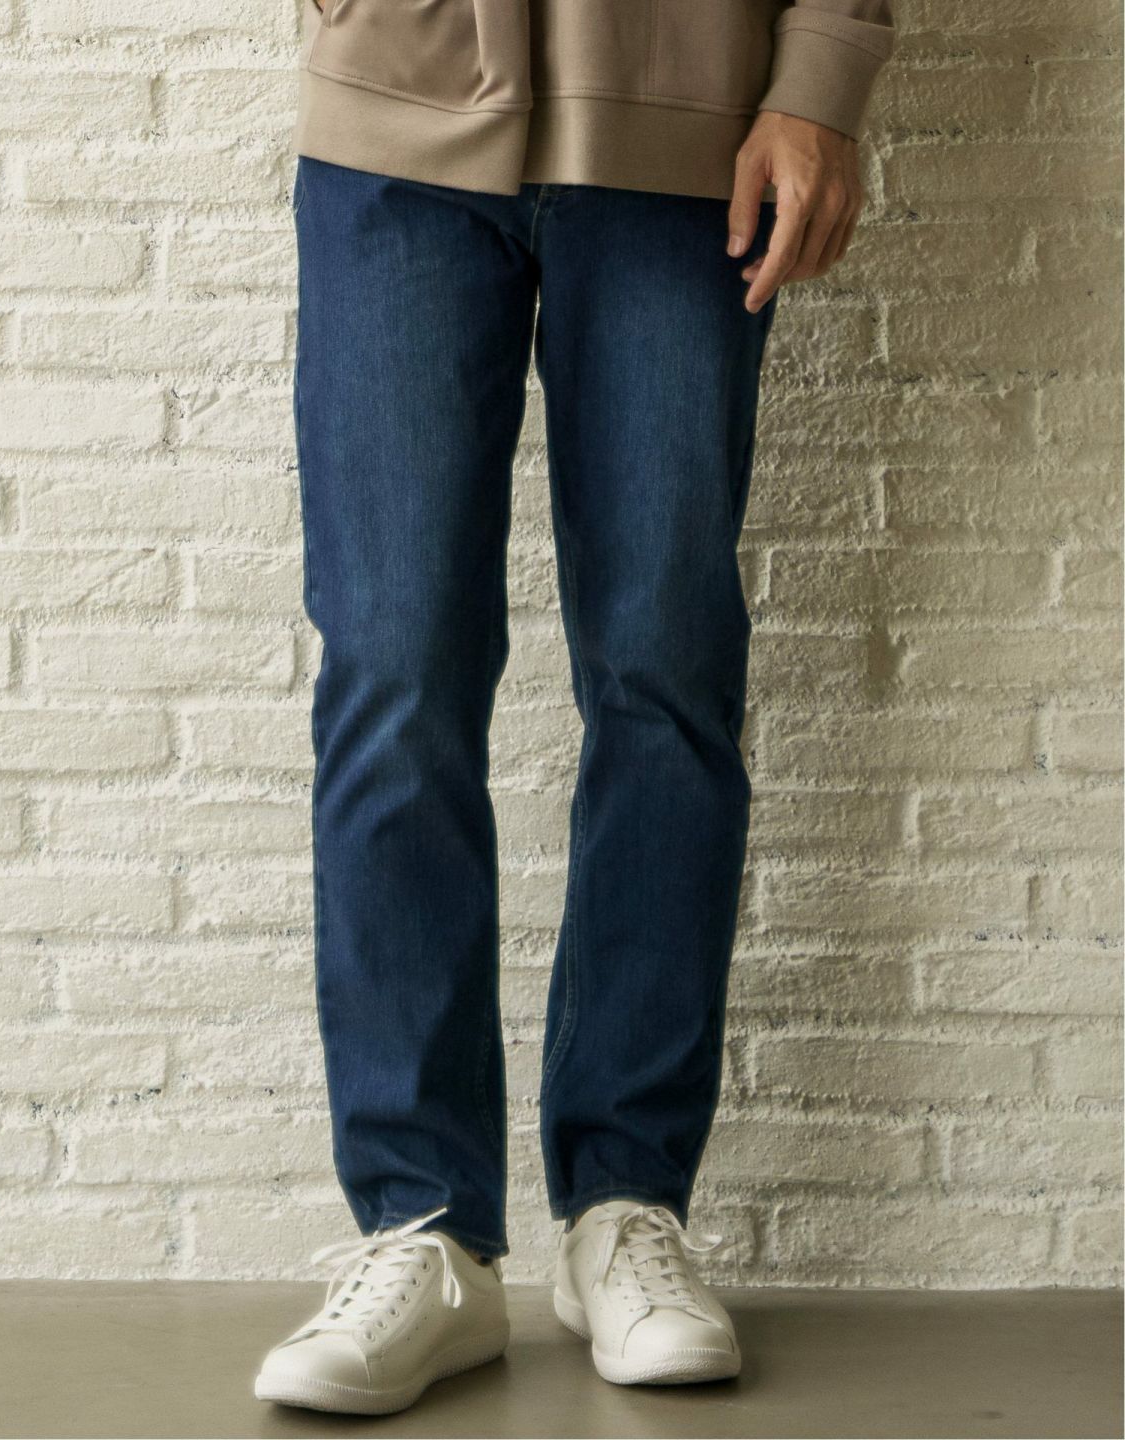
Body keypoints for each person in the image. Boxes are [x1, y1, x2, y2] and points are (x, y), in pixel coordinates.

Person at [255, 0, 895, 1415]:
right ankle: (423, 1228)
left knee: (665, 673)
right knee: (394, 673)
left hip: (690, 131)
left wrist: (822, 77)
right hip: (396, 128)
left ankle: (625, 1204)